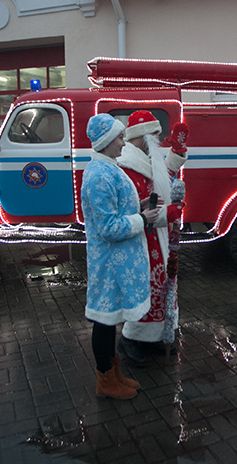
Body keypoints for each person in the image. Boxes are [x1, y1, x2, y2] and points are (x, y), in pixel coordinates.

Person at [81, 113, 161, 399]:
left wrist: (137, 204)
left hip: (117, 263)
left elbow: (117, 207)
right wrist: (141, 218)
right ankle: (105, 379)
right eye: (118, 137)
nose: (123, 141)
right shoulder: (99, 176)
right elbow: (108, 227)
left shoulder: (109, 168)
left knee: (111, 319)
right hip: (109, 264)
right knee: (104, 322)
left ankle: (113, 373)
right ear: (104, 142)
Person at [116, 110, 188, 367]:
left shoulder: (145, 158)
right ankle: (131, 339)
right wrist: (169, 213)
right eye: (156, 135)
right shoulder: (127, 168)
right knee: (144, 290)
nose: (159, 140)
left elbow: (163, 175)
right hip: (141, 240)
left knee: (163, 289)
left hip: (158, 239)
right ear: (144, 136)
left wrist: (178, 153)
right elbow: (134, 209)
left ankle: (156, 336)